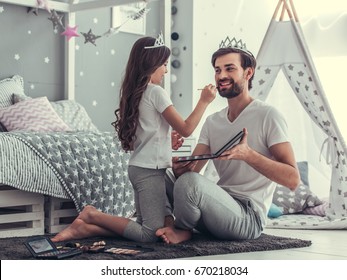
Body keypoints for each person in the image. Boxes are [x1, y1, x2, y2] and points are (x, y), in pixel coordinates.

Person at [51, 34, 216, 243]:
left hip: (139, 167)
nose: (166, 70)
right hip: (149, 171)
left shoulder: (136, 92)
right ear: (152, 64)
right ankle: (93, 215)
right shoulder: (156, 92)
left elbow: (148, 132)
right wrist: (204, 101)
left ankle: (87, 229)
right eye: (164, 64)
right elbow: (186, 129)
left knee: (148, 223)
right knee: (149, 234)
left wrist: (166, 141)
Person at [155, 38, 301, 244]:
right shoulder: (213, 122)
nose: (221, 76)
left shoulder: (269, 115)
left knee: (190, 183)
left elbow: (292, 180)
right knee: (155, 174)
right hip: (216, 211)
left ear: (248, 73)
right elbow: (191, 174)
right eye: (217, 70)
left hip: (248, 218)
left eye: (230, 69)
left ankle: (182, 229)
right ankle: (165, 224)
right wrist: (179, 168)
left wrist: (249, 155)